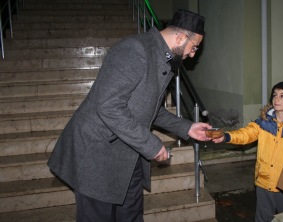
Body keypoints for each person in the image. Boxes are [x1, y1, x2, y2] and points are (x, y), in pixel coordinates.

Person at [47, 9, 210, 222]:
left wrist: (187, 127)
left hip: (128, 155)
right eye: (194, 47)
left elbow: (150, 109)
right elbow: (108, 106)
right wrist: (150, 144)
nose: (193, 53)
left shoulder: (162, 58)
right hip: (97, 156)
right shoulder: (136, 49)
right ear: (180, 37)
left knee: (131, 216)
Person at [211, 81, 283, 222]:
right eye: (275, 95)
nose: (277, 99)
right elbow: (246, 134)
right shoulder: (263, 122)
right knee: (263, 218)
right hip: (264, 182)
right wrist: (226, 136)